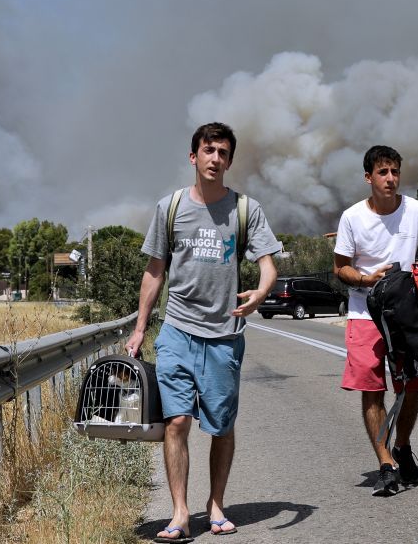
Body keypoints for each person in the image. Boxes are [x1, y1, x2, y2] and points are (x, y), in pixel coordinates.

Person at [125, 122, 281, 541]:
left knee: (221, 427)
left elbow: (268, 264)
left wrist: (261, 292)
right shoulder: (171, 207)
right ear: (194, 157)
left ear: (230, 161)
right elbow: (154, 271)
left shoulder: (245, 209)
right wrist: (140, 329)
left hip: (225, 336)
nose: (216, 158)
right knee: (176, 421)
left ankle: (215, 504)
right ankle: (179, 512)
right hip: (177, 330)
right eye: (209, 150)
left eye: (223, 153)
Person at [333, 145, 418, 496]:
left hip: (408, 314)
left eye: (395, 172)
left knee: (411, 386)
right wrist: (367, 279)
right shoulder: (352, 218)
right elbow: (340, 267)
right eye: (383, 172)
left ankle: (402, 445)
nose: (391, 179)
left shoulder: (416, 211)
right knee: (372, 389)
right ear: (369, 177)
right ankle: (386, 463)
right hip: (364, 313)